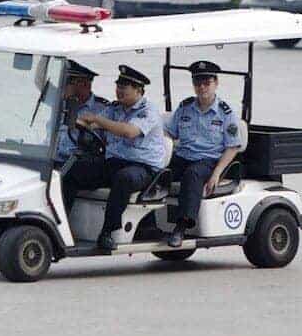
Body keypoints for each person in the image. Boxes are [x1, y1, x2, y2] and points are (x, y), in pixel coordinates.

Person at [64, 65, 167, 250]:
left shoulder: (148, 111)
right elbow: (91, 123)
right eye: (118, 86)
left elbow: (129, 131)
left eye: (124, 87)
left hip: (144, 168)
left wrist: (98, 120)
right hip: (115, 162)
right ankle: (62, 225)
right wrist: (77, 120)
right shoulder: (114, 108)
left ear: (138, 90)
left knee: (124, 178)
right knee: (74, 170)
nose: (119, 91)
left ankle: (108, 232)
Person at [164, 61, 242, 247]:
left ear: (216, 83)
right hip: (183, 156)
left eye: (207, 83)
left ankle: (181, 227)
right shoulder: (185, 107)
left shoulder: (225, 113)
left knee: (193, 175)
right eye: (198, 83)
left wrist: (216, 173)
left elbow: (233, 147)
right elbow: (169, 132)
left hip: (208, 160)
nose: (202, 87)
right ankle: (149, 222)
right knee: (155, 172)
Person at [56, 61, 109, 161]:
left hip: (76, 163)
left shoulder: (104, 109)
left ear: (84, 85)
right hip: (49, 158)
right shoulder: (59, 102)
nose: (61, 86)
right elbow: (39, 81)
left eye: (68, 82)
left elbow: (109, 145)